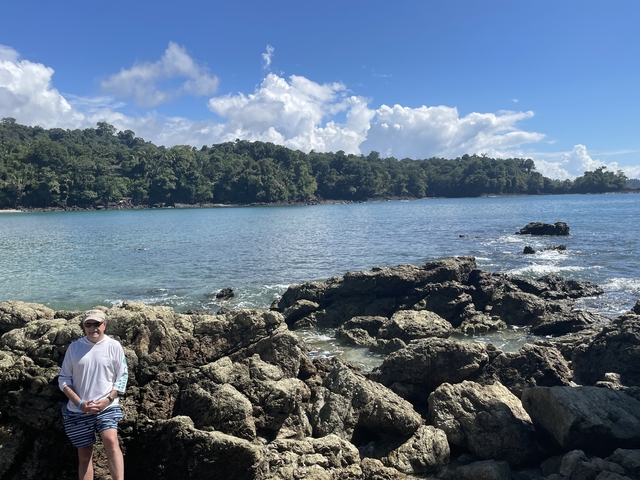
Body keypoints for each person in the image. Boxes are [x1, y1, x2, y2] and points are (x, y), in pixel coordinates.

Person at [59, 309, 128, 480]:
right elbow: (63, 379)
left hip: (107, 406)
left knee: (111, 441)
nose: (93, 328)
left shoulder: (114, 346)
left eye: (97, 324)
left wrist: (108, 399)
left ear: (104, 325)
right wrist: (79, 403)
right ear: (84, 326)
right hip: (77, 410)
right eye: (88, 324)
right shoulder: (74, 348)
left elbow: (122, 376)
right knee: (84, 454)